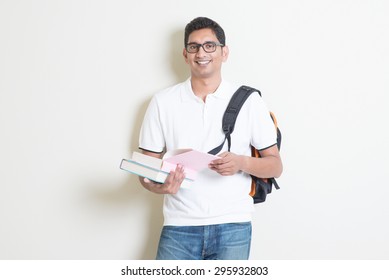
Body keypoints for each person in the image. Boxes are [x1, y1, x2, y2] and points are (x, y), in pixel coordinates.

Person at [137, 17, 282, 260]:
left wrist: (240, 162)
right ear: (185, 54)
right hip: (178, 227)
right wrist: (159, 186)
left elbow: (275, 165)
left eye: (209, 45)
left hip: (233, 225)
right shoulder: (162, 102)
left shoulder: (249, 101)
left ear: (224, 52)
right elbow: (145, 169)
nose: (201, 52)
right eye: (193, 47)